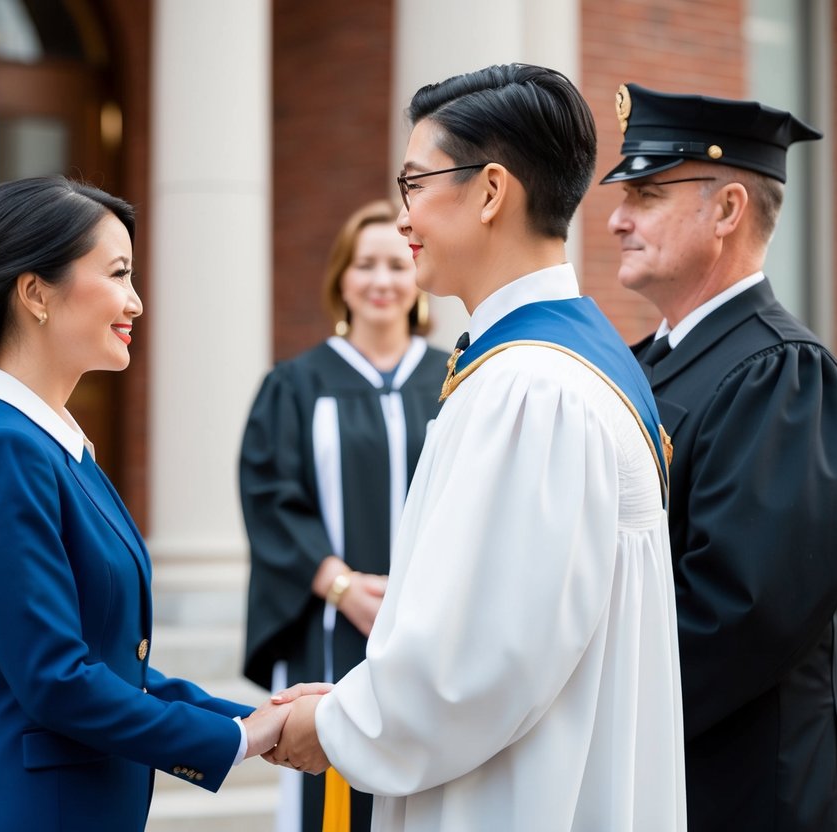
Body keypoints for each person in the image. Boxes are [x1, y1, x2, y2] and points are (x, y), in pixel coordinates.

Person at [268, 64, 686, 831]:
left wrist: (333, 727)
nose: (402, 219)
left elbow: (478, 665)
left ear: (491, 191)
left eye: (414, 184)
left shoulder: (530, 388)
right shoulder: (567, 361)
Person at [0, 176, 300, 831]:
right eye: (119, 274)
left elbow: (115, 665)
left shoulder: (49, 444)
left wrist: (258, 722)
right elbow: (56, 678)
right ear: (36, 293)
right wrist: (238, 742)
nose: (137, 302)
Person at [602, 83, 837, 831]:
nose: (615, 219)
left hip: (742, 796)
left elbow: (737, 616)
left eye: (648, 193)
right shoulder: (643, 364)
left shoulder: (783, 376)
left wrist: (581, 715)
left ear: (726, 210)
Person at [239, 199, 448, 832]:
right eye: (365, 265)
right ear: (342, 279)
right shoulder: (296, 385)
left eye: (396, 263)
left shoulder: (456, 377)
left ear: (417, 276)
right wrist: (341, 585)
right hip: (326, 625)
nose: (381, 281)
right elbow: (270, 496)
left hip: (430, 624)